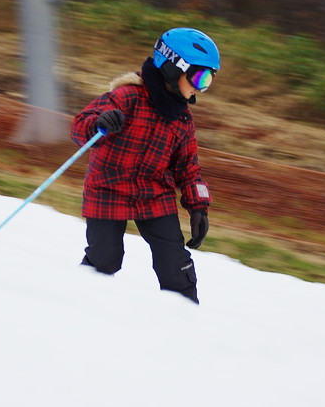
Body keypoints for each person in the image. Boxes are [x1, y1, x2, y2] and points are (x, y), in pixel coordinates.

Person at [71, 27, 220, 304]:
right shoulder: (127, 97)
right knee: (105, 260)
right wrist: (99, 124)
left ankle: (186, 319)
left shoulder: (182, 119)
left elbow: (188, 167)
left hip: (153, 194)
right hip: (109, 187)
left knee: (175, 264)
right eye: (200, 77)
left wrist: (199, 207)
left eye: (209, 80)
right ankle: (82, 301)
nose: (203, 87)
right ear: (174, 68)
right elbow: (81, 125)